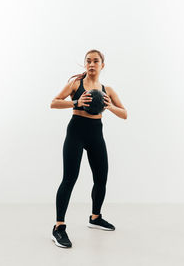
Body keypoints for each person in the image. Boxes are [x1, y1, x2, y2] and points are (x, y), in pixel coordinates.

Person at [50, 49, 128, 248]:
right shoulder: (75, 84)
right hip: (76, 131)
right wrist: (76, 102)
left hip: (96, 134)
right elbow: (54, 103)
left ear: (102, 65)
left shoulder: (107, 90)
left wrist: (109, 106)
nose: (92, 64)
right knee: (69, 178)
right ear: (85, 65)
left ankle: (95, 217)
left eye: (96, 61)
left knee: (101, 178)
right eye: (88, 61)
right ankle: (59, 227)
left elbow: (124, 113)